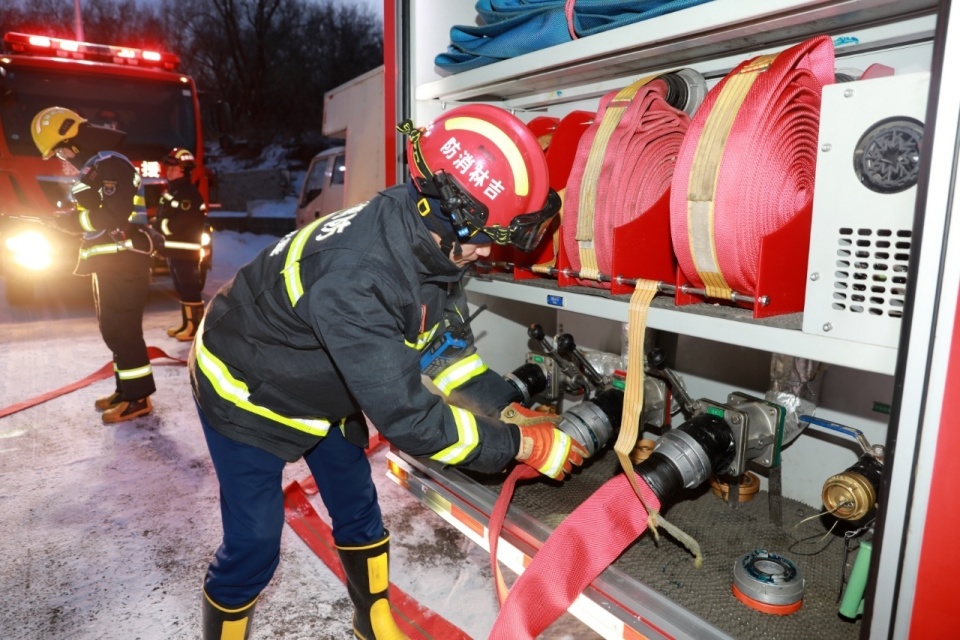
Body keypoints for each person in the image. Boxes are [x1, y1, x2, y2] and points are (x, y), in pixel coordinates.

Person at [190, 104, 584, 639]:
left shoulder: (426, 241)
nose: (488, 251)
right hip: (244, 390)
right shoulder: (360, 277)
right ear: (449, 218)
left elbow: (445, 352)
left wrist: (505, 407)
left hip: (320, 380)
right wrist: (516, 445)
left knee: (357, 506)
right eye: (485, 238)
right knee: (255, 543)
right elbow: (413, 422)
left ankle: (372, 618)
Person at [31, 106, 157, 424]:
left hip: (124, 260)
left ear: (72, 137)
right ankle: (125, 390)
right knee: (113, 330)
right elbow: (92, 213)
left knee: (123, 330)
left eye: (59, 149)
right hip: (109, 260)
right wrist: (68, 220)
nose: (61, 157)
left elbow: (111, 215)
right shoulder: (93, 166)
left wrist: (71, 221)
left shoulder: (109, 162)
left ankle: (138, 398)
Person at [154, 147, 208, 341]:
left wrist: (160, 226)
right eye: (167, 166)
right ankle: (187, 324)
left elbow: (179, 224)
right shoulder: (176, 192)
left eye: (173, 167)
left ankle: (194, 328)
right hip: (175, 250)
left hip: (186, 251)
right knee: (182, 287)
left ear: (184, 170)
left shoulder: (188, 195)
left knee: (189, 287)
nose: (168, 170)